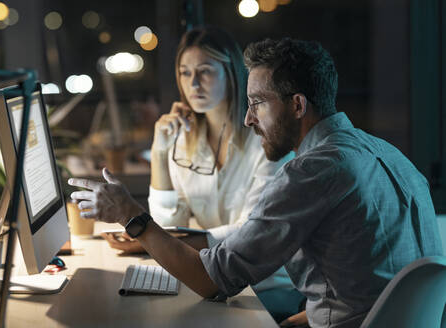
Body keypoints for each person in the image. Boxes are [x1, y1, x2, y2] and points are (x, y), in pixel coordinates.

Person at [68, 37, 443, 328]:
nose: (248, 119)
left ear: (297, 105)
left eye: (258, 103)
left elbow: (212, 280)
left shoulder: (313, 171)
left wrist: (130, 215)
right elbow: (384, 287)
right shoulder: (389, 154)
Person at [100, 26, 301, 321]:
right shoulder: (184, 140)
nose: (193, 83)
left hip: (268, 289)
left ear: (231, 73)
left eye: (205, 71)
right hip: (217, 278)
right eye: (184, 72)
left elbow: (249, 233)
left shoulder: (267, 141)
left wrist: (150, 235)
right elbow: (171, 223)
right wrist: (159, 153)